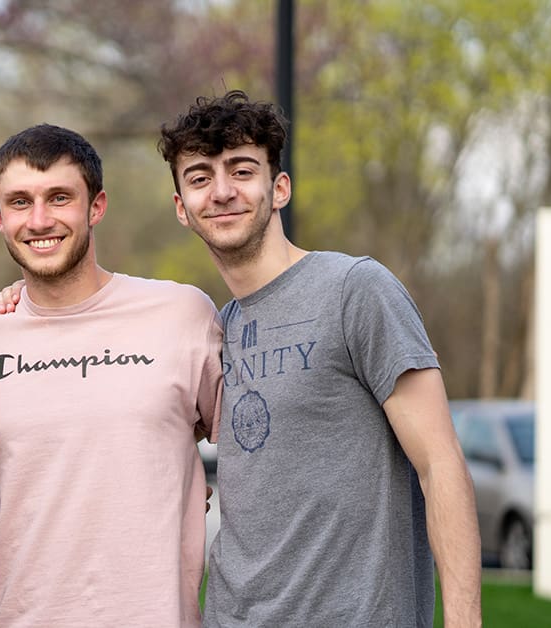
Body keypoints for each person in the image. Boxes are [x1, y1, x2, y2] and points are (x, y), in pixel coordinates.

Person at [157, 90, 482, 626]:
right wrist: (23, 300)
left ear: (279, 187)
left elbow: (439, 463)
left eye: (241, 170)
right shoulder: (216, 329)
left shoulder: (356, 290)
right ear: (181, 209)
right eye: (199, 177)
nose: (220, 191)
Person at [0, 124, 223, 626]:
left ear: (97, 206)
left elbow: (254, 462)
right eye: (19, 202)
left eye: (59, 197)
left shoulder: (181, 314)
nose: (39, 220)